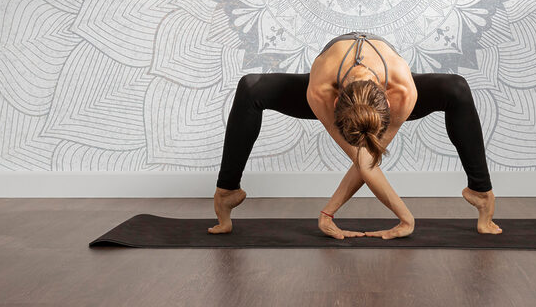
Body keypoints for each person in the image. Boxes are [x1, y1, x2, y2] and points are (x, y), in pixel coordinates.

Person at [209, 31, 502, 239]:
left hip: (381, 80)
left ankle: (480, 192)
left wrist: (329, 213)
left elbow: (368, 160)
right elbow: (363, 161)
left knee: (456, 88)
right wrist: (404, 217)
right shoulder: (321, 92)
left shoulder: (403, 91)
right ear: (336, 103)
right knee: (251, 87)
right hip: (333, 78)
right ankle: (227, 192)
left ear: (389, 104)